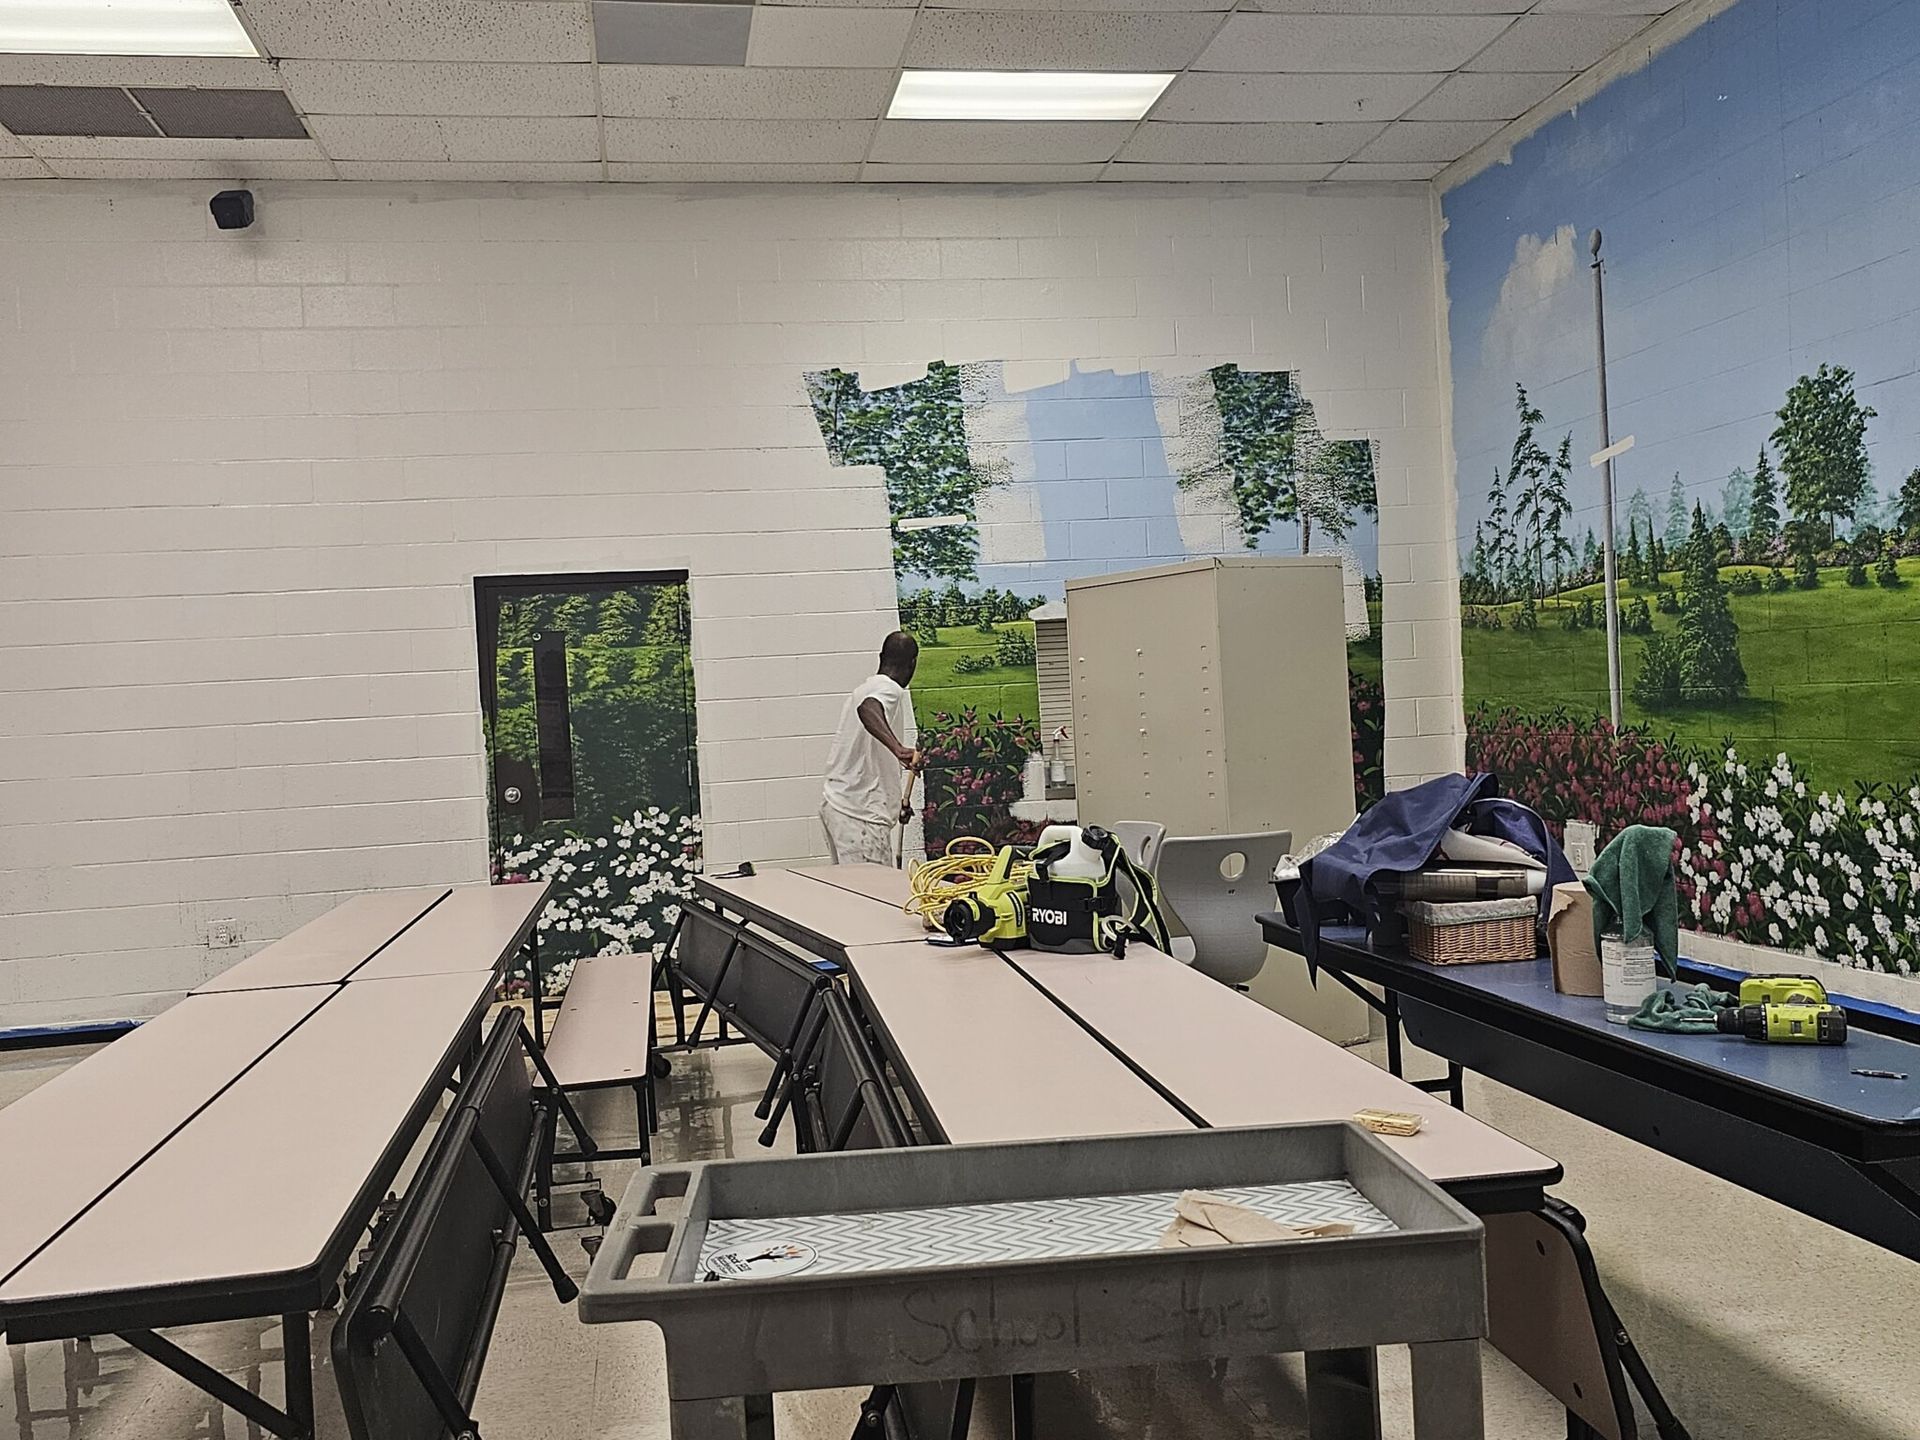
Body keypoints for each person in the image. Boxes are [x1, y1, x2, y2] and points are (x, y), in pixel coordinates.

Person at [820, 631, 920, 866]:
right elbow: (869, 709)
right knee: (875, 896)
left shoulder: (861, 690)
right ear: (913, 663)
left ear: (880, 657)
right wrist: (898, 749)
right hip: (860, 816)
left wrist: (895, 805)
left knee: (851, 895)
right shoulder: (889, 690)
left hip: (839, 807)